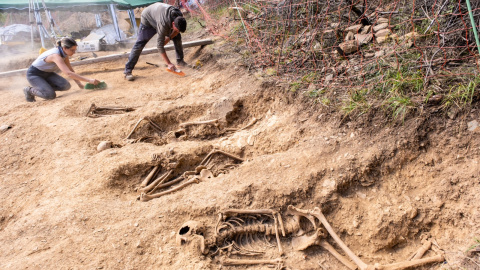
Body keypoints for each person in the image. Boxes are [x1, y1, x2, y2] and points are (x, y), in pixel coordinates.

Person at [124, 2, 187, 81]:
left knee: (177, 37)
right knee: (140, 44)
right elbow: (160, 45)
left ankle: (180, 62)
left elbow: (175, 32)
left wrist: (169, 37)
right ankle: (128, 71)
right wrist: (169, 64)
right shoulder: (163, 24)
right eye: (177, 30)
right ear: (173, 23)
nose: (177, 31)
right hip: (148, 19)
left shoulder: (179, 16)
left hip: (158, 14)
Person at [23, 37, 100, 102]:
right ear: (65, 48)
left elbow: (70, 70)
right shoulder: (55, 56)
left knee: (66, 86)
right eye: (72, 50)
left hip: (48, 73)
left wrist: (79, 83)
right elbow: (68, 74)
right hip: (34, 75)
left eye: (74, 50)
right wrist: (89, 80)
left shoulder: (64, 54)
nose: (74, 52)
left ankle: (44, 88)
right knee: (50, 95)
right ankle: (29, 90)